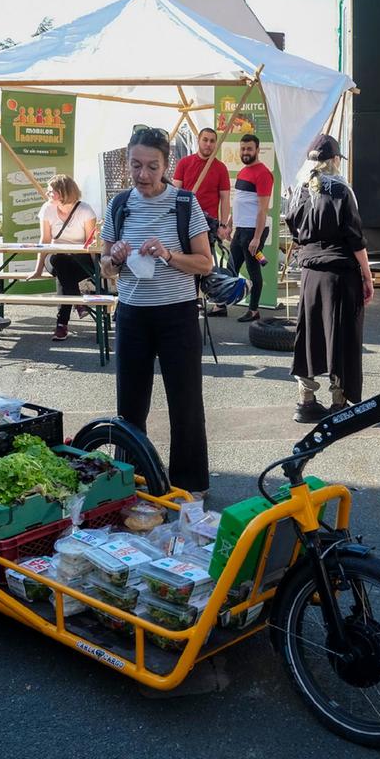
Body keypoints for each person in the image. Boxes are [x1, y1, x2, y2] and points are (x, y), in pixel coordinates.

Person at [101, 126, 214, 492]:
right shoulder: (119, 205)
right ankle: (130, 479)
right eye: (136, 165)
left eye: (152, 166)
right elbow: (104, 267)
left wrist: (167, 254)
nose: (143, 175)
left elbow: (205, 264)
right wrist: (114, 258)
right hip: (133, 314)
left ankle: (189, 483)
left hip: (177, 314)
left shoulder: (184, 204)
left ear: (166, 165)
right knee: (130, 405)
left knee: (185, 402)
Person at [285, 134, 372, 423]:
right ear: (334, 160)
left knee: (308, 334)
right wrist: (368, 276)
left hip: (310, 273)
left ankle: (305, 400)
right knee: (341, 335)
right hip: (339, 273)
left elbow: (294, 230)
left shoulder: (299, 191)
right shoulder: (341, 190)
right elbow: (355, 238)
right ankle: (339, 402)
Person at [29, 174, 98, 341]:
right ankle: (77, 302)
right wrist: (38, 269)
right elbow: (44, 241)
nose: (47, 194)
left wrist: (97, 271)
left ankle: (61, 325)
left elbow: (91, 243)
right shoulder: (47, 209)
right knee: (61, 262)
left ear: (63, 192)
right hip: (55, 258)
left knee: (64, 274)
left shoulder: (85, 210)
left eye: (51, 191)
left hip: (80, 259)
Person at [172, 126, 232, 309]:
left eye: (212, 141)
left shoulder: (221, 168)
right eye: (205, 140)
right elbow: (175, 192)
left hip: (208, 223)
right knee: (184, 259)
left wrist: (223, 224)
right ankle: (189, 298)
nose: (208, 144)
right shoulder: (184, 163)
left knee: (203, 261)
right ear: (198, 140)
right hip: (185, 219)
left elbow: (225, 198)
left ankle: (203, 297)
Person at [228, 133, 274, 322]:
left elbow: (262, 210)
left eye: (249, 149)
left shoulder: (263, 173)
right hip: (240, 230)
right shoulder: (243, 171)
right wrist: (230, 222)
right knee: (231, 268)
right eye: (243, 149)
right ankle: (222, 304)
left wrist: (256, 238)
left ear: (257, 150)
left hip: (252, 232)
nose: (245, 152)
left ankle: (254, 310)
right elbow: (238, 202)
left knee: (254, 270)